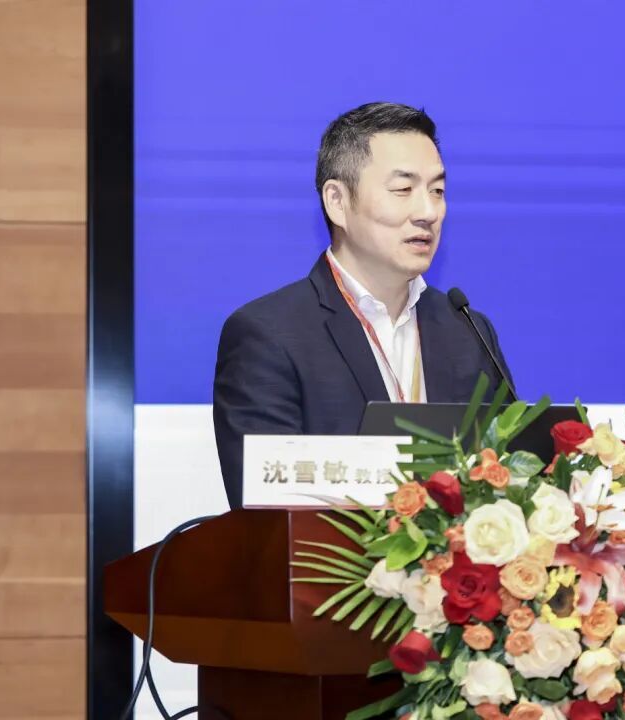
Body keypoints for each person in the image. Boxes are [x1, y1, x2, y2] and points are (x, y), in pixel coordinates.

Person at [213, 102, 513, 509]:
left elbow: (511, 479)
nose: (428, 212)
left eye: (437, 191)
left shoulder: (468, 331)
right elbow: (268, 514)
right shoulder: (268, 335)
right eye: (403, 190)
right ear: (337, 202)